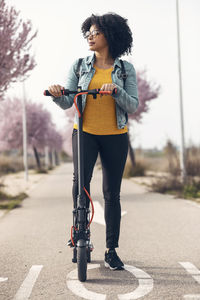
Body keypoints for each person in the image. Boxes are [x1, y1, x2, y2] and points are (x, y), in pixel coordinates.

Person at [48, 12, 139, 270]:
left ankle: (111, 250)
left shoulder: (125, 70)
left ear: (109, 36)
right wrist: (57, 94)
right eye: (88, 32)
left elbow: (132, 105)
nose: (90, 36)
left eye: (95, 32)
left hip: (115, 136)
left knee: (112, 194)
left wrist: (116, 90)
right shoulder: (79, 66)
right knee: (81, 185)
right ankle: (79, 232)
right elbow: (68, 99)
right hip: (85, 133)